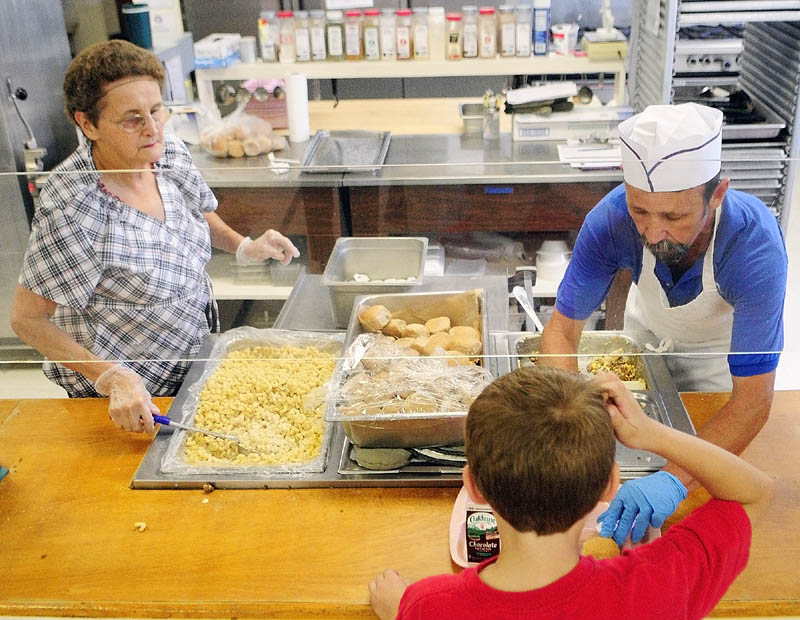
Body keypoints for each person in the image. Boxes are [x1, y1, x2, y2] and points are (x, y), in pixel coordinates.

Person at [9, 40, 299, 434]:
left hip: (190, 361)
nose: (152, 128)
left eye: (156, 110)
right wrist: (111, 377)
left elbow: (197, 210)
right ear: (88, 124)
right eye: (132, 119)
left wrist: (245, 247)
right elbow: (28, 320)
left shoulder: (166, 153)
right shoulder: (73, 207)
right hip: (127, 401)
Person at [539, 102, 786, 518]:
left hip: (718, 374)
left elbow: (753, 403)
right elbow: (562, 332)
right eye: (641, 211)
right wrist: (574, 438)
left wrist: (672, 480)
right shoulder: (611, 220)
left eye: (675, 216)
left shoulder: (753, 247)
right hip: (647, 344)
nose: (654, 233)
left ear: (718, 193)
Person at [369, 366, 774, 619]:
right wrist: (652, 434)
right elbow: (754, 492)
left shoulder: (430, 605)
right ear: (611, 486)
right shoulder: (653, 588)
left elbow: (414, 607)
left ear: (473, 485)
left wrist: (397, 609)